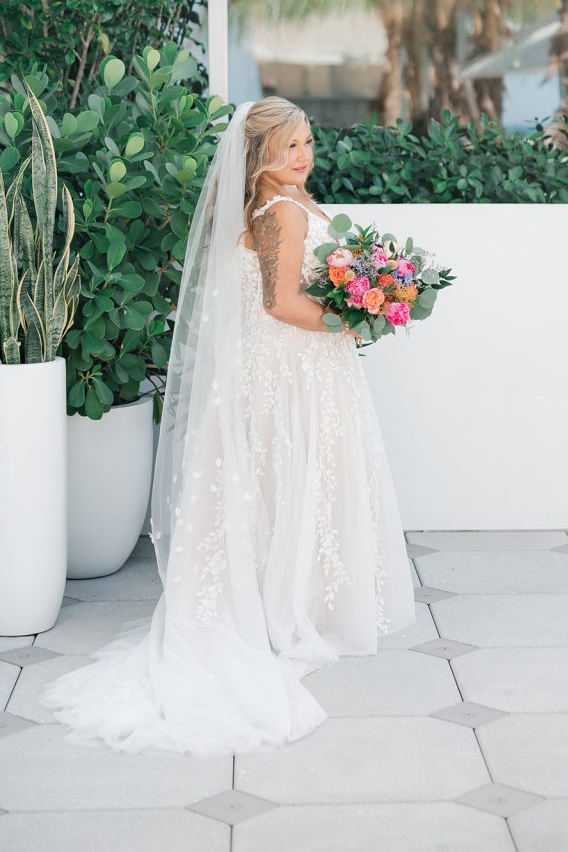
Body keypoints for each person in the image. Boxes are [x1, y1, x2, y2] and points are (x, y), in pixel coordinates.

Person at [39, 96, 416, 756]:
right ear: (259, 155)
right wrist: (353, 319)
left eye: (306, 143)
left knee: (290, 480)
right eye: (290, 146)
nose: (304, 155)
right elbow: (279, 302)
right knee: (290, 475)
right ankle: (289, 607)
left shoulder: (276, 205)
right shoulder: (278, 212)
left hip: (297, 368)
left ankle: (296, 595)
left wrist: (364, 290)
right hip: (291, 369)